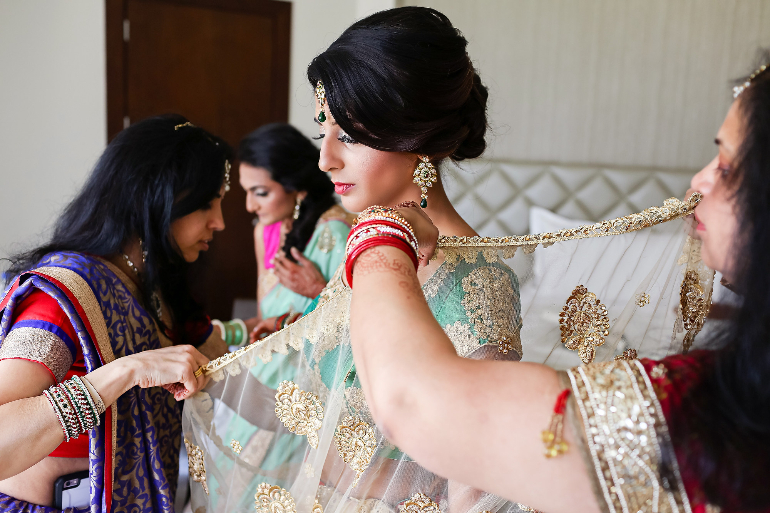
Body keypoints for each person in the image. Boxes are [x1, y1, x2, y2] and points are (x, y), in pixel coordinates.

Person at [344, 58, 770, 512]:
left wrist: (382, 233)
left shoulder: (701, 412)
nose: (697, 184)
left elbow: (416, 405)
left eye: (725, 166)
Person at [183, 7, 524, 512]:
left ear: (419, 141)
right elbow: (304, 407)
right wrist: (199, 358)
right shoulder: (367, 252)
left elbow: (472, 484)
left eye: (350, 135)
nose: (325, 158)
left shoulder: (477, 283)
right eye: (325, 129)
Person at [0, 115, 230, 512]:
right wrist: (126, 372)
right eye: (207, 203)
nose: (220, 222)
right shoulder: (67, 295)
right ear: (156, 199)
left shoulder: (158, 290)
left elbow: (232, 375)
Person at [237, 123, 353, 341]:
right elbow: (265, 320)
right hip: (268, 362)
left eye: (261, 193)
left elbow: (355, 331)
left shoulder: (338, 233)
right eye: (247, 192)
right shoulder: (266, 232)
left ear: (297, 187)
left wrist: (318, 291)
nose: (250, 206)